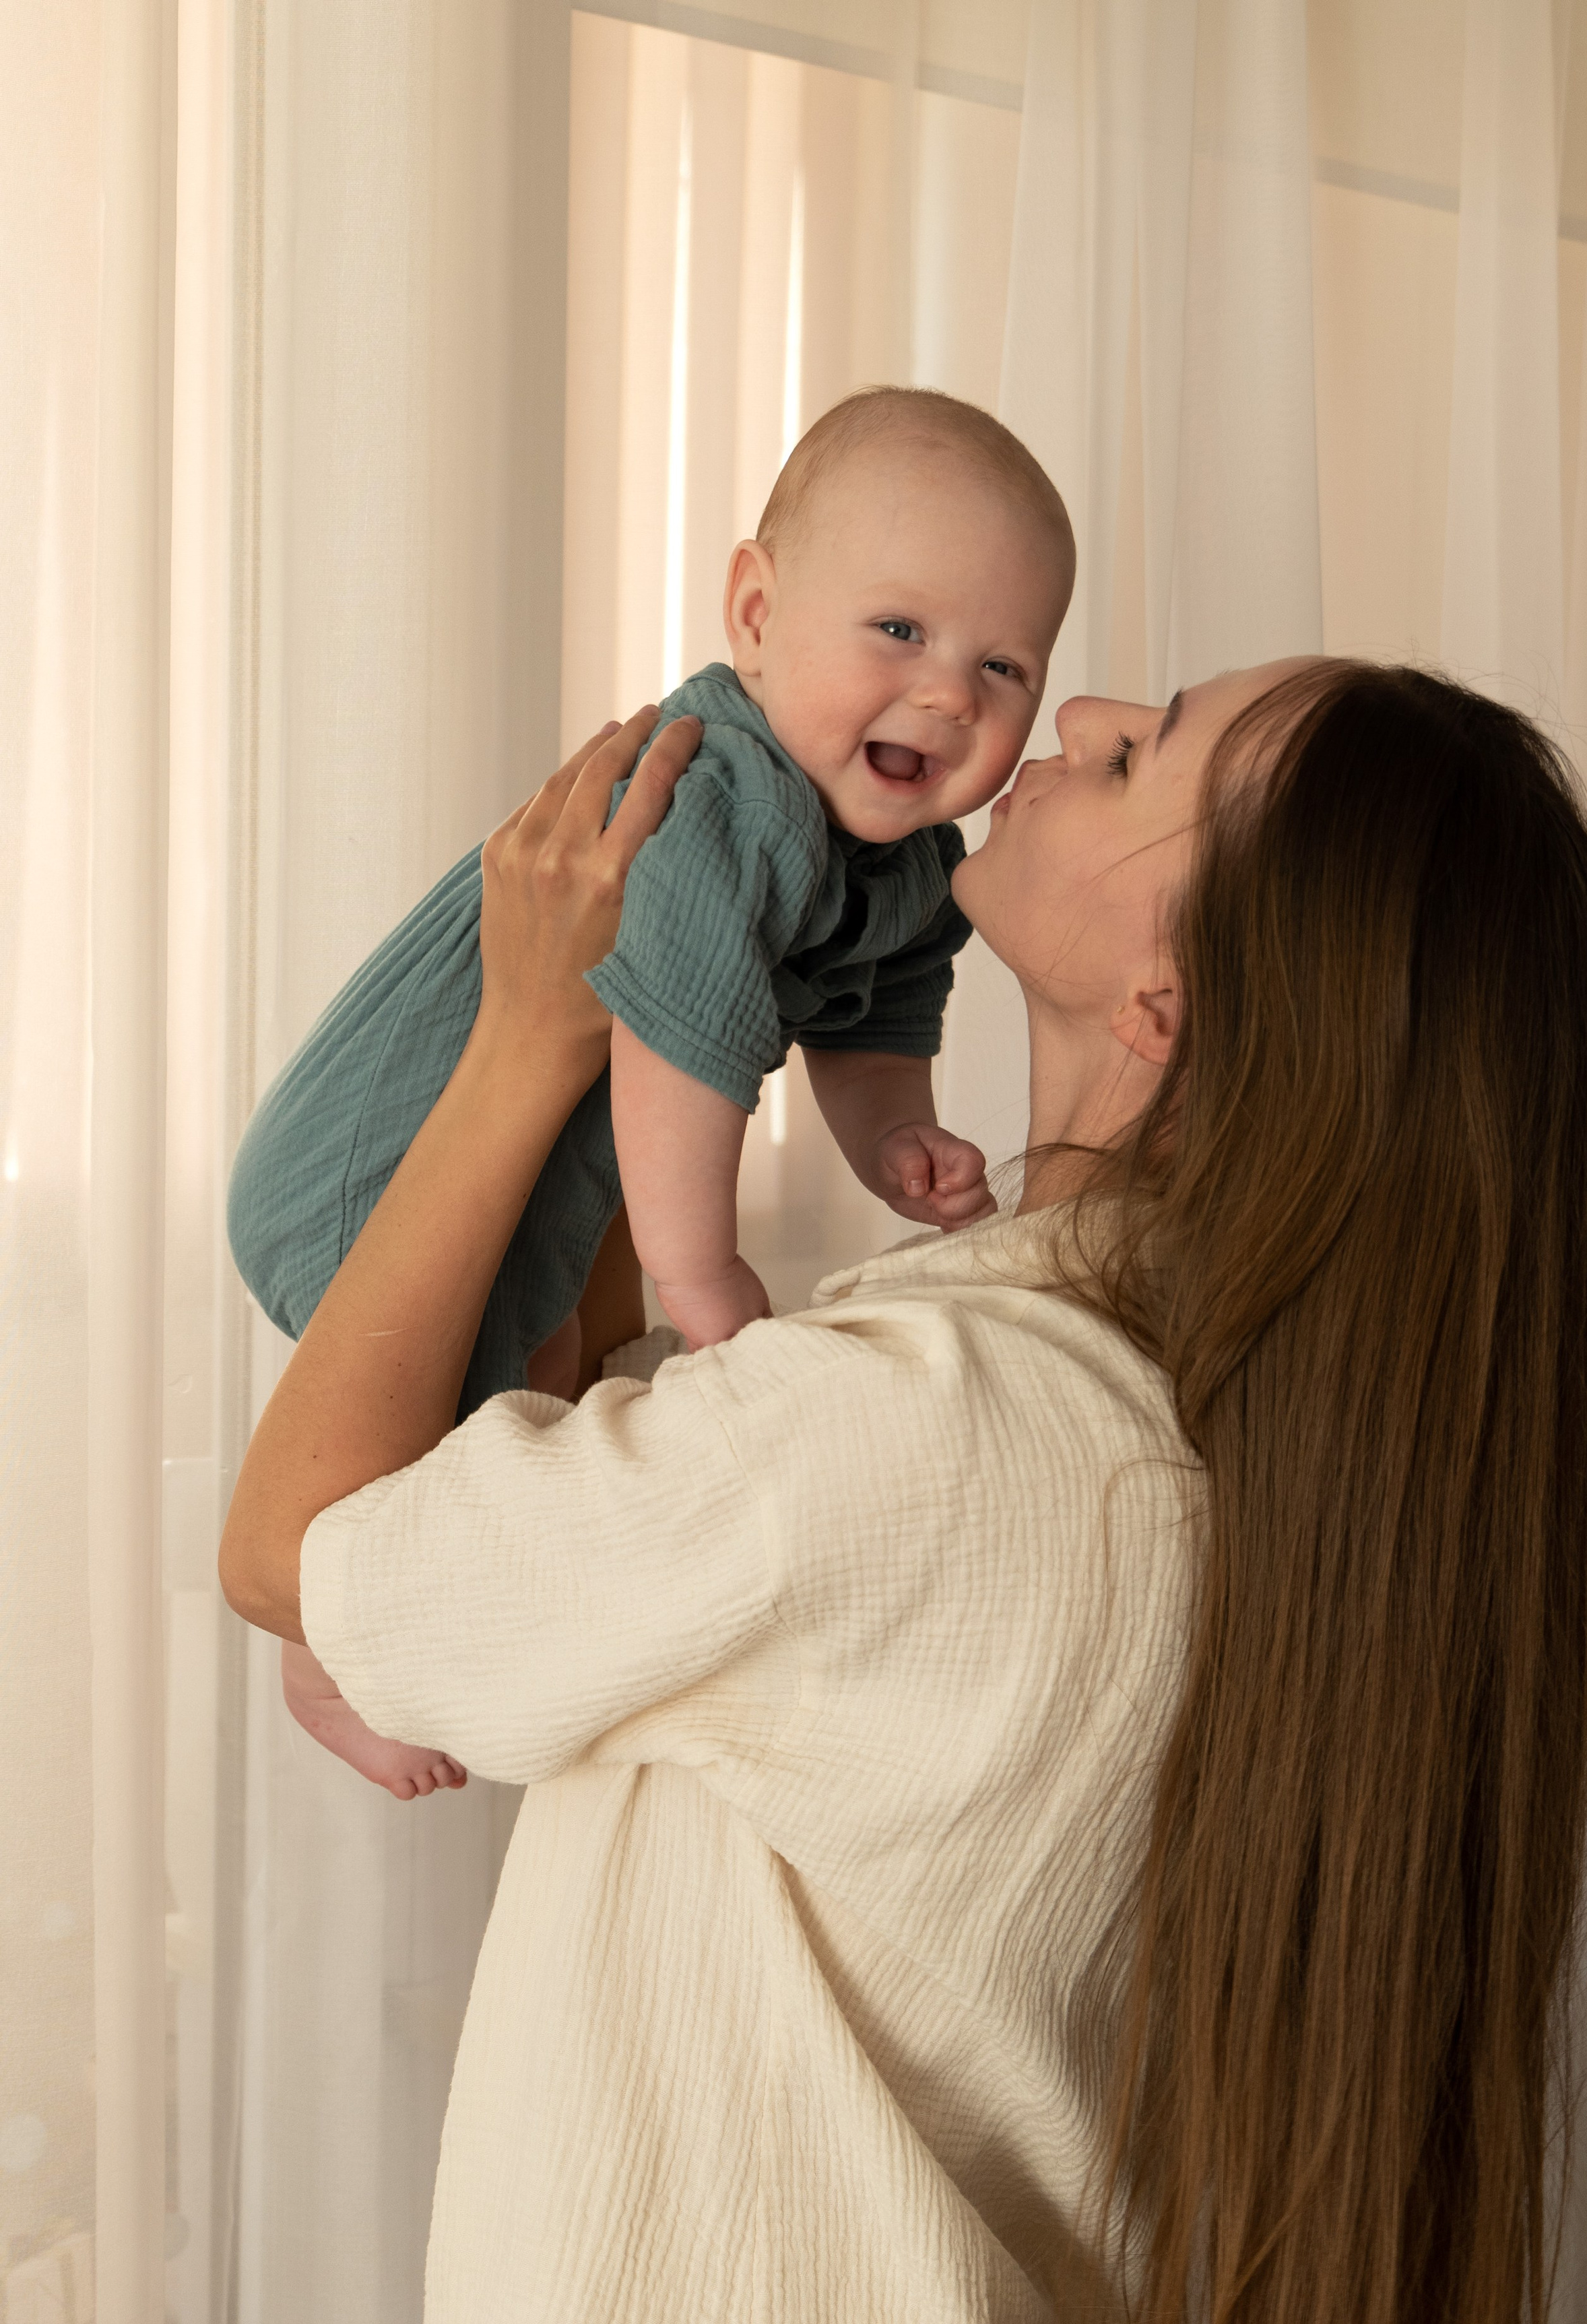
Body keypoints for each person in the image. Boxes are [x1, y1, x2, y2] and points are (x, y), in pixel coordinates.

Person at [220, 656, 1587, 2324]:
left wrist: (534, 1032)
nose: (1087, 712)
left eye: (1154, 755)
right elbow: (560, 1484)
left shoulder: (930, 1428)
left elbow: (299, 1544)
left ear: (1174, 998)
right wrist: (688, 1035)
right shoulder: (1188, 1457)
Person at [228, 383, 1074, 1799]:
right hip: (375, 1150)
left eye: (1005, 669)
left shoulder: (913, 866)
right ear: (753, 614)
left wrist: (895, 1137)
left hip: (542, 1170)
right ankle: (323, 1660)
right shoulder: (720, 794)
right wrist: (702, 1278)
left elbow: (872, 1021)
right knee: (447, 1437)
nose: (946, 695)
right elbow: (691, 1039)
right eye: (900, 631)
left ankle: (363, 1644)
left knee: (536, 1400)